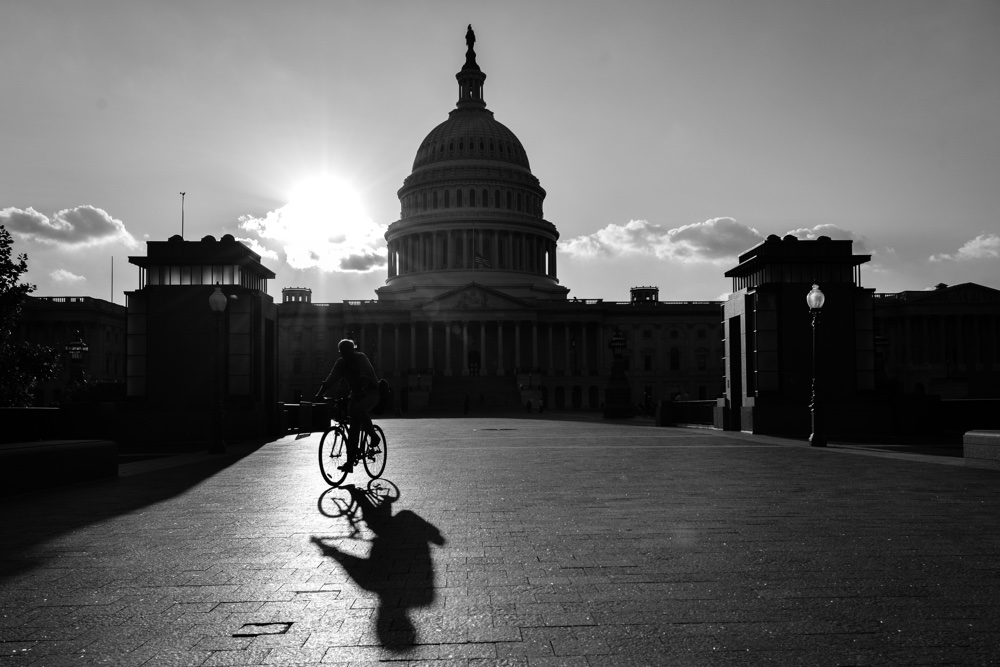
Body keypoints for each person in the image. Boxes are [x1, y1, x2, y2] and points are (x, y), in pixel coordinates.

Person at [315, 339, 380, 473]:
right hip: (356, 394)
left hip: (371, 392)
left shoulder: (361, 358)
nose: (343, 354)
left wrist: (362, 389)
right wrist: (319, 393)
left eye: (346, 351)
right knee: (353, 427)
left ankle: (373, 435)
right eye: (342, 352)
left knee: (358, 409)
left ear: (352, 350)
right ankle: (350, 462)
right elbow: (330, 379)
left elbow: (365, 375)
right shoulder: (341, 363)